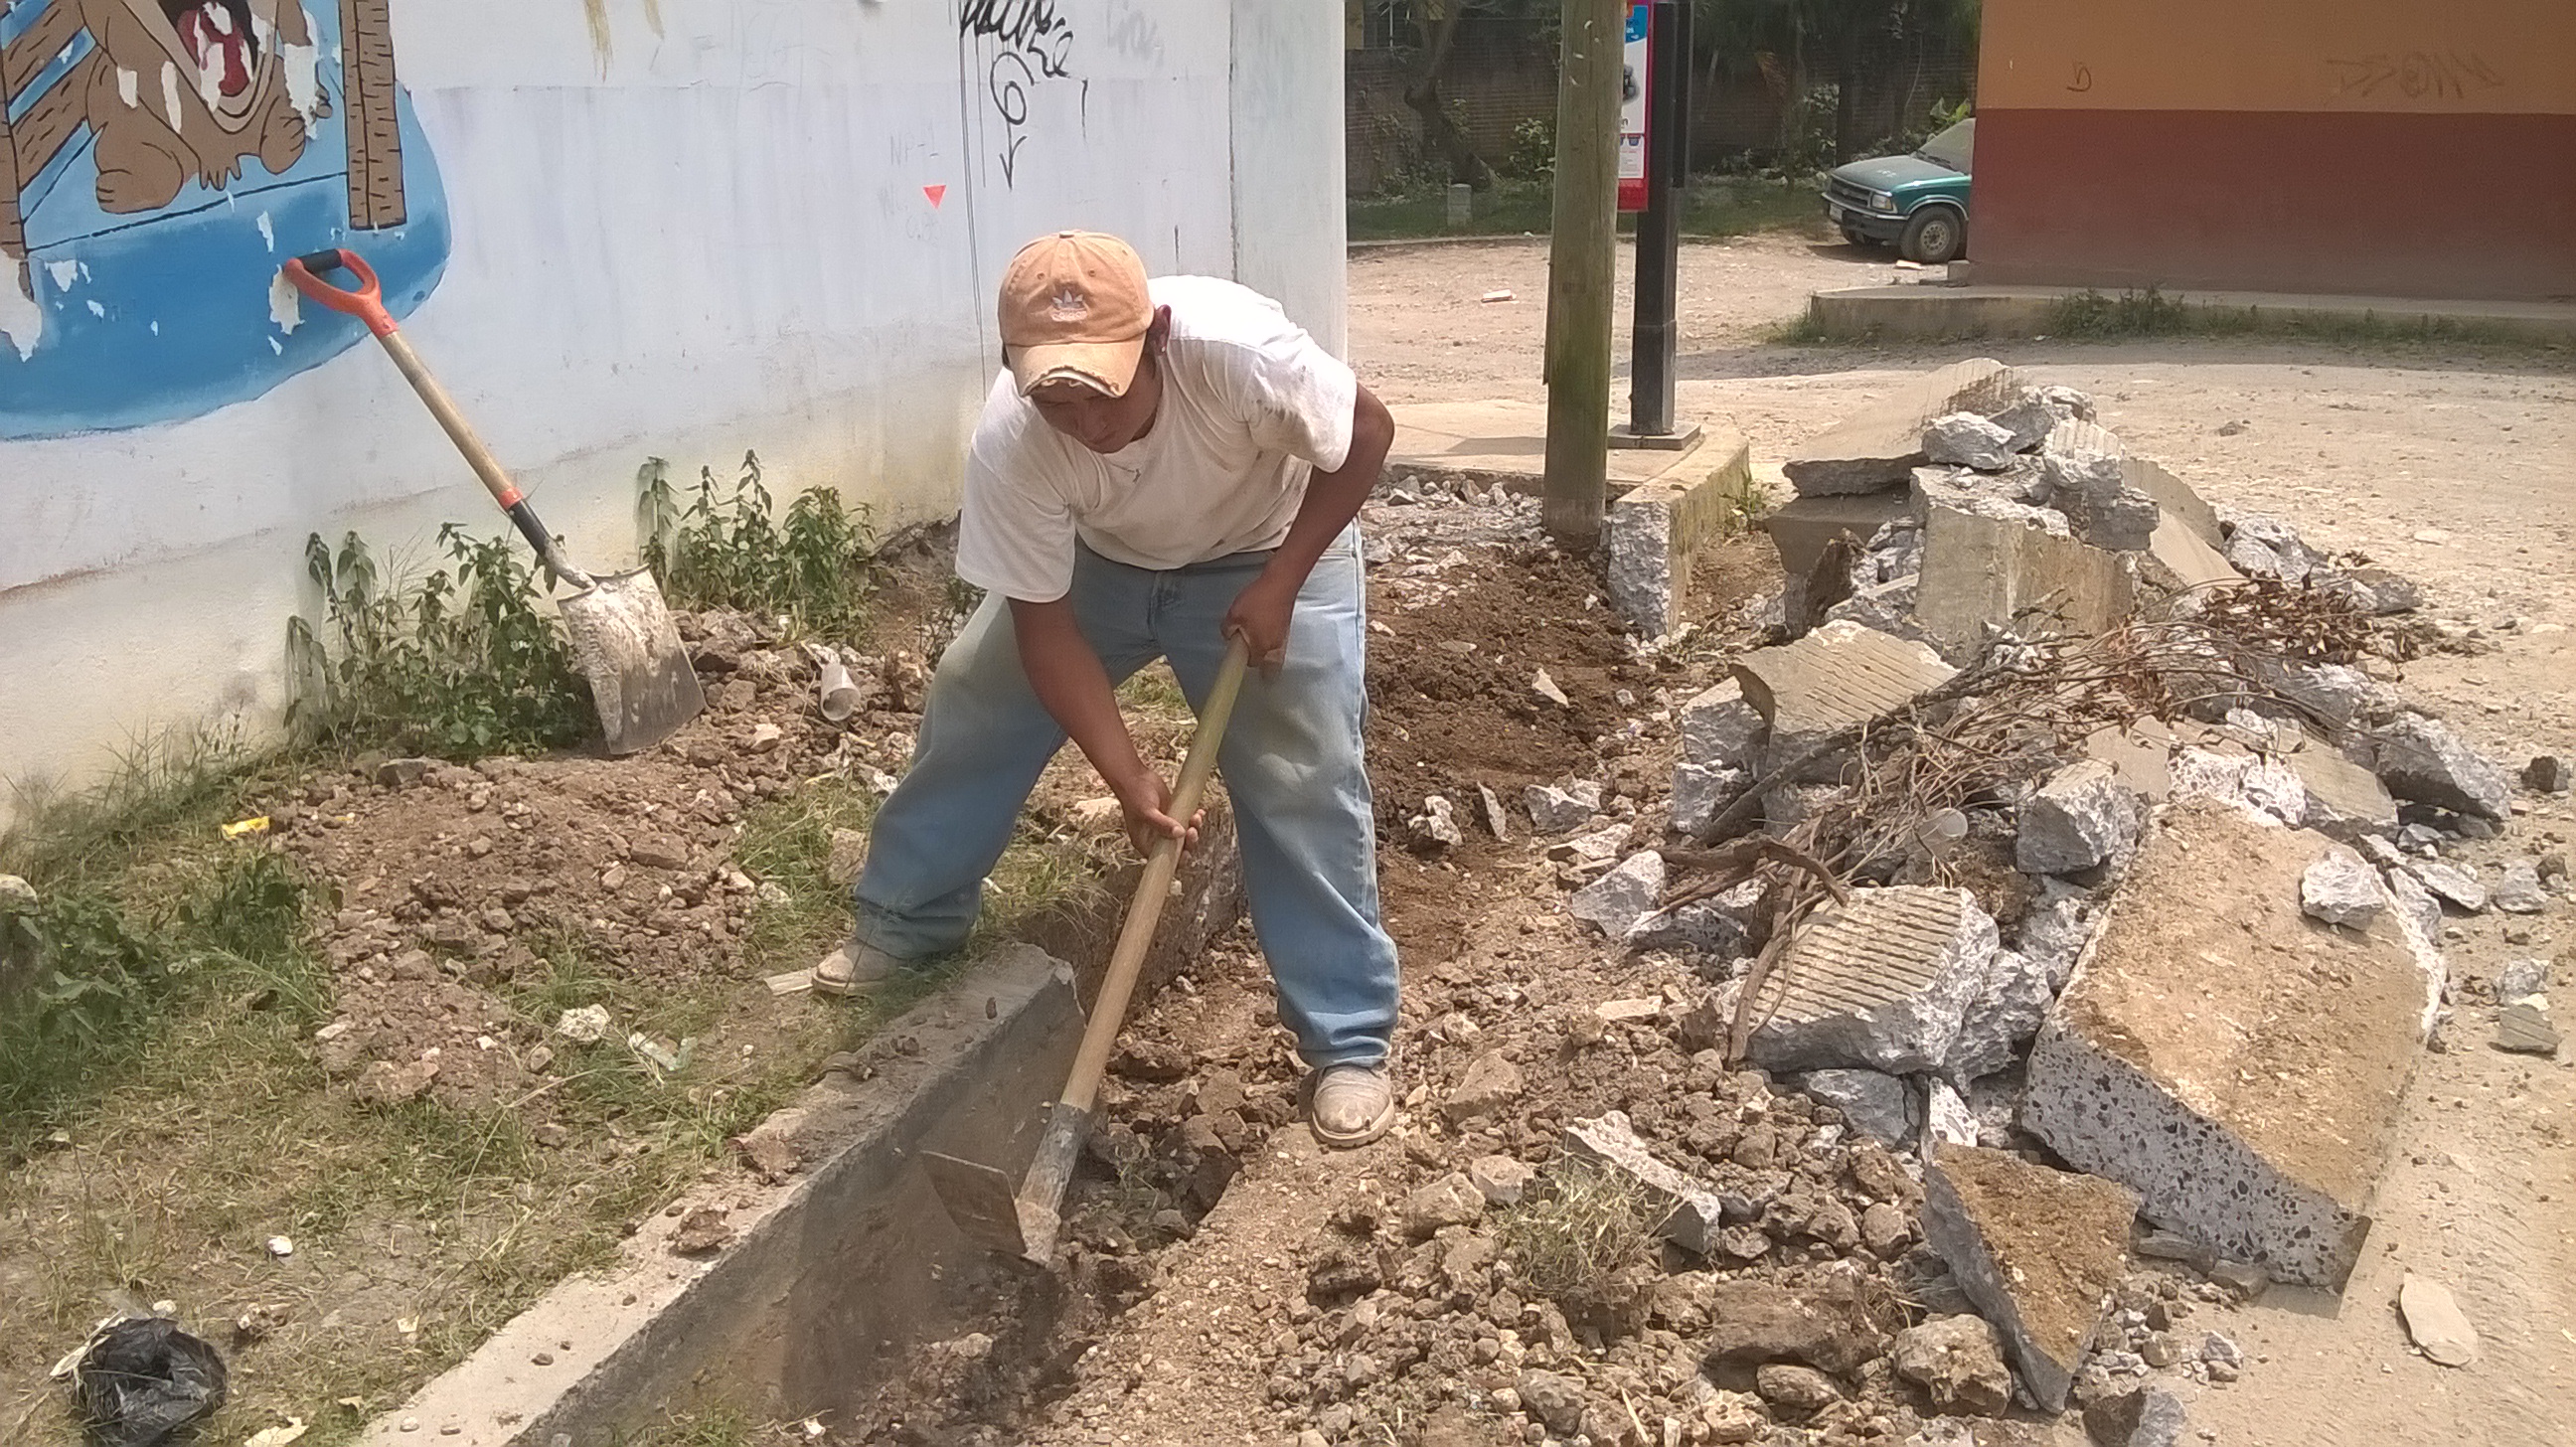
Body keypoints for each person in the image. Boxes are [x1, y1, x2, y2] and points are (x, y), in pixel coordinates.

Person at [815, 231, 1404, 1148]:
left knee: (1301, 772)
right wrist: (1129, 778)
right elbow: (1045, 632)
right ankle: (905, 921)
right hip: (1107, 565)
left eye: (1102, 393)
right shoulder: (1014, 437)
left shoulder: (1240, 358)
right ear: (1014, 366)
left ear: (1156, 337)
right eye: (1055, 396)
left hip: (1270, 543)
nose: (1084, 422)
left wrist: (1282, 582)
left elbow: (1366, 434)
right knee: (978, 698)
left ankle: (1347, 1040)